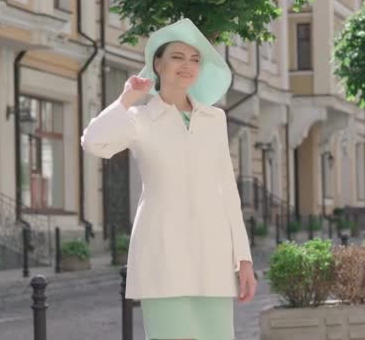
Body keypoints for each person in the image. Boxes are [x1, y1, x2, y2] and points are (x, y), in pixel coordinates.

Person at [81, 18, 256, 340]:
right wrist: (126, 99)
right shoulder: (139, 118)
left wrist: (243, 259)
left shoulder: (214, 118)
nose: (187, 65)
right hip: (163, 251)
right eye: (177, 57)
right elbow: (94, 142)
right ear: (157, 64)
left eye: (195, 59)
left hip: (213, 253)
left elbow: (228, 191)